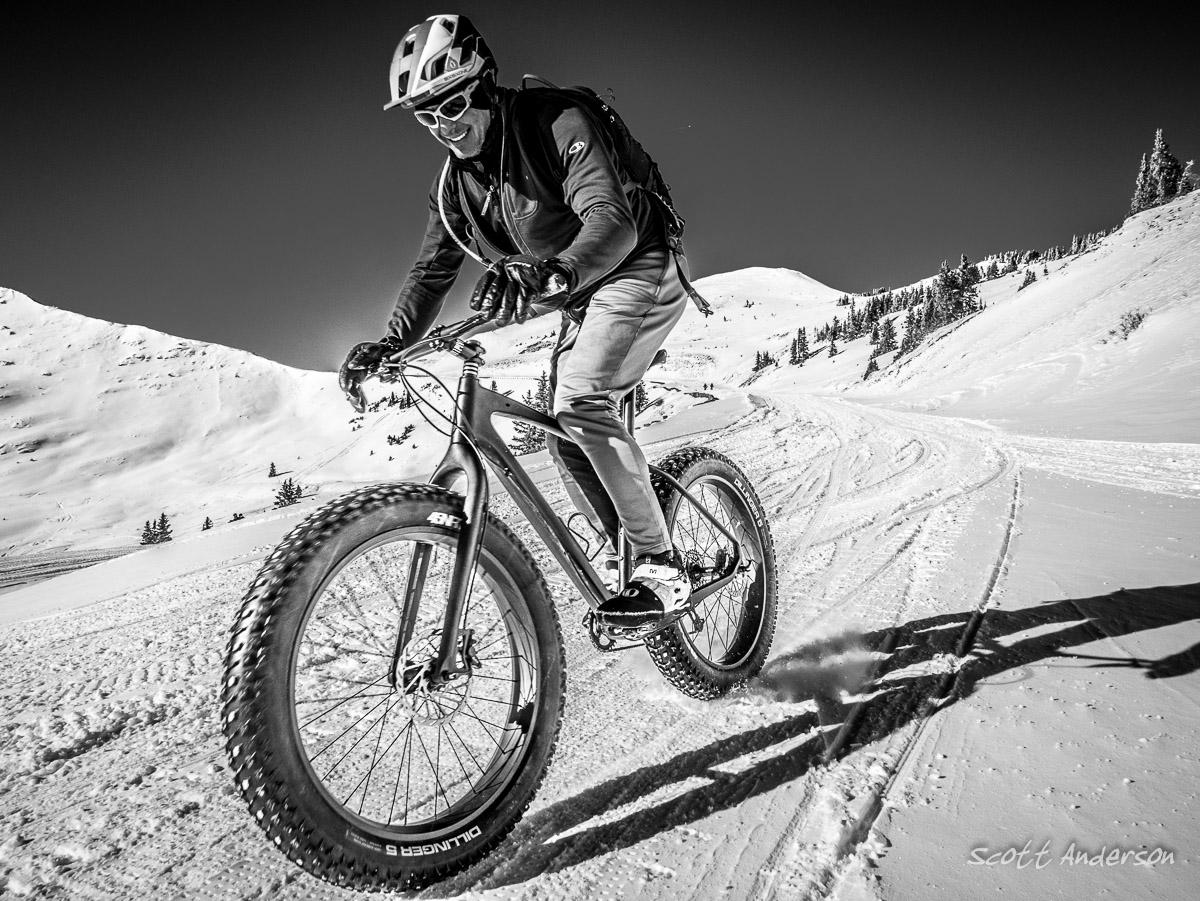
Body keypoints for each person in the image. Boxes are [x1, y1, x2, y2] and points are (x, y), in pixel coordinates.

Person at [338, 14, 697, 631]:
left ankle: (663, 566)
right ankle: (633, 558)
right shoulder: (454, 189)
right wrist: (391, 341)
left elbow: (612, 218)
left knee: (582, 398)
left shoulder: (554, 121)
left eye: (453, 104)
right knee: (566, 432)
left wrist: (543, 274)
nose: (446, 128)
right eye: (427, 117)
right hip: (575, 291)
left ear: (483, 83)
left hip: (640, 262)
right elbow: (431, 272)